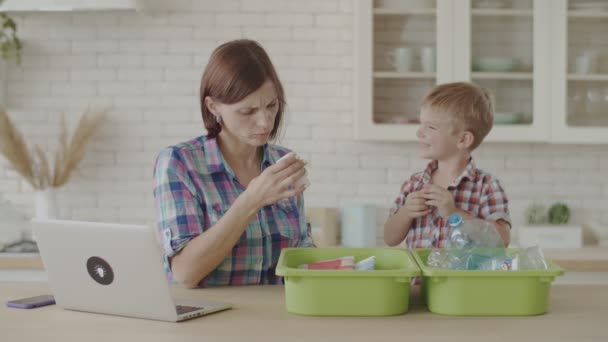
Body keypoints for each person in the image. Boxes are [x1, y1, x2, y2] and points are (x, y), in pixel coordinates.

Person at [153, 39, 313, 288]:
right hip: (210, 322)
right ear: (213, 106)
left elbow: (300, 256)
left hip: (277, 319)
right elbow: (185, 273)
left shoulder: (281, 162)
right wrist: (252, 199)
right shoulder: (180, 163)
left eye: (271, 105)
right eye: (247, 112)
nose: (265, 122)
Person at [383, 82, 511, 249]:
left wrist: (454, 213)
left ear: (463, 140)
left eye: (430, 127)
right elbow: (389, 238)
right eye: (421, 124)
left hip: (460, 277)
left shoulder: (486, 186)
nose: (419, 132)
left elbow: (503, 240)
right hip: (420, 277)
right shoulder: (414, 184)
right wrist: (406, 212)